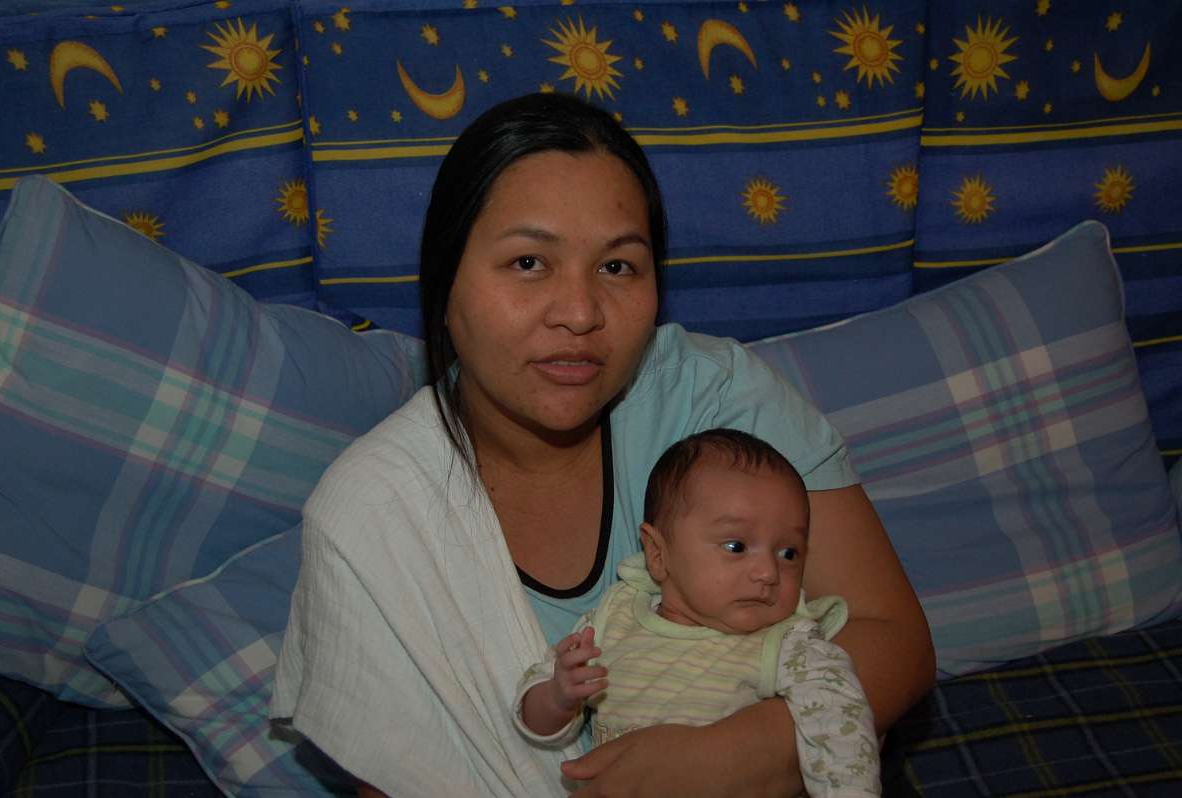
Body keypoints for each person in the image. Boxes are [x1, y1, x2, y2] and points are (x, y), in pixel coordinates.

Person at [270, 92, 934, 798]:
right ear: (446, 281)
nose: (581, 313)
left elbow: (890, 633)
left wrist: (739, 754)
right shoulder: (376, 513)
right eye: (529, 262)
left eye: (617, 267)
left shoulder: (717, 403)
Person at [514, 428, 880, 798]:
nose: (769, 572)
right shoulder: (616, 617)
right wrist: (557, 697)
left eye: (789, 553)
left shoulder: (789, 642)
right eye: (737, 547)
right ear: (658, 553)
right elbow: (534, 717)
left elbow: (841, 727)